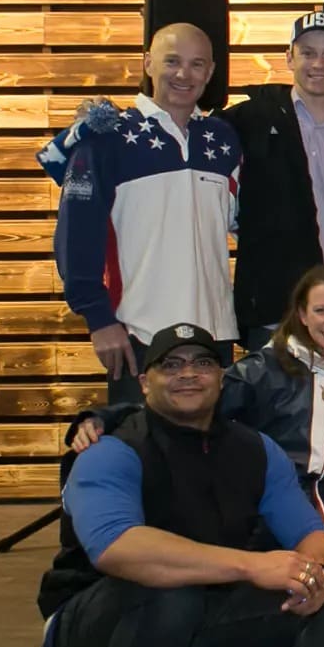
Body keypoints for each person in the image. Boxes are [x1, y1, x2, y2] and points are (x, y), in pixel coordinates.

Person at [70, 264, 324, 636]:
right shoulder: (264, 370)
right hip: (271, 514)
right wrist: (104, 417)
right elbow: (185, 400)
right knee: (314, 600)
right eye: (321, 310)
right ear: (301, 316)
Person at [38, 323, 324, 647]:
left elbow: (310, 533)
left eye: (202, 363)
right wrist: (252, 566)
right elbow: (116, 548)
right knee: (172, 594)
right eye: (170, 365)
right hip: (99, 620)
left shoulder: (257, 449)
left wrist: (315, 576)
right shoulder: (110, 450)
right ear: (144, 384)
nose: (188, 374)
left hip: (206, 605)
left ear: (221, 379)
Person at [50, 22, 241, 404]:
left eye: (197, 64)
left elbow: (245, 225)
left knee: (208, 460)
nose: (183, 74)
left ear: (211, 72)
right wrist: (99, 320)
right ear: (148, 62)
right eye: (172, 61)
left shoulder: (222, 140)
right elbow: (76, 237)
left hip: (213, 340)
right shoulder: (107, 138)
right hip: (139, 336)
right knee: (140, 458)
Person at [224, 13, 324, 348]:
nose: (318, 64)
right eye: (308, 52)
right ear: (289, 57)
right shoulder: (248, 122)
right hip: (276, 311)